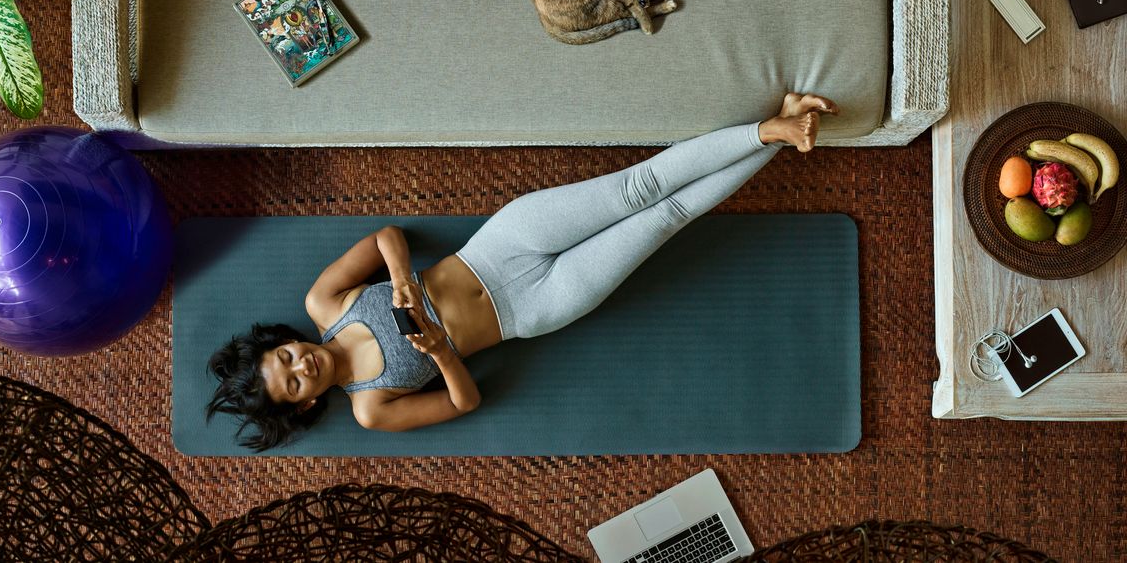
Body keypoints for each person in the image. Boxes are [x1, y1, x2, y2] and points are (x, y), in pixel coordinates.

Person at [207, 93, 839, 450]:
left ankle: (766, 128)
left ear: (286, 342)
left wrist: (401, 278)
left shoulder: (325, 303)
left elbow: (387, 236)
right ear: (308, 403)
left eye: (285, 357)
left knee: (637, 187)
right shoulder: (371, 409)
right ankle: (780, 137)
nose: (299, 366)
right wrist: (441, 352)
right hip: (535, 309)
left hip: (498, 247)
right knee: (666, 218)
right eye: (292, 384)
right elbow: (465, 402)